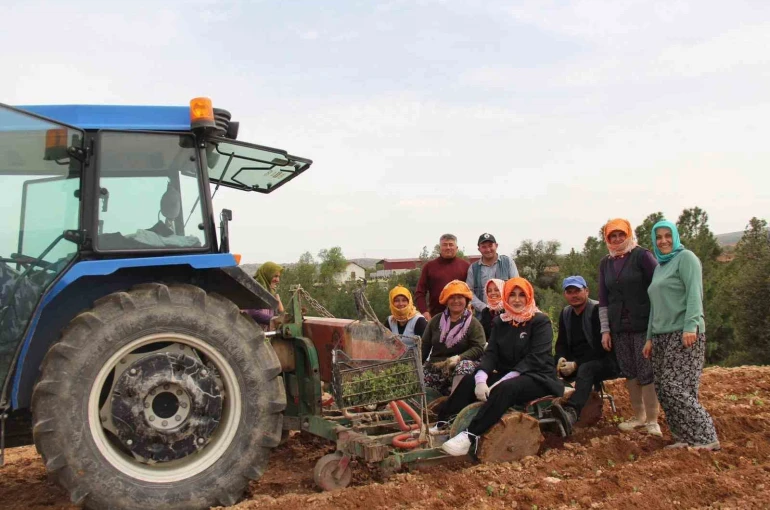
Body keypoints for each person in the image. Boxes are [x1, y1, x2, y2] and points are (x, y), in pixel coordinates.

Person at [438, 277, 564, 456]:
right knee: (469, 379)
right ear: (506, 296)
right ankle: (442, 422)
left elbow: (535, 358)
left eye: (522, 295)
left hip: (538, 377)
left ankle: (470, 435)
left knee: (505, 388)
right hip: (510, 375)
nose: (517, 299)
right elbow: (492, 354)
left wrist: (503, 379)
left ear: (529, 297)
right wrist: (481, 376)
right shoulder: (501, 322)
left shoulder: (540, 321)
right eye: (512, 295)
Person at [643, 220, 720, 450]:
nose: (663, 240)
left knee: (674, 386)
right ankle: (684, 437)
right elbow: (654, 306)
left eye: (668, 235)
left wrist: (691, 326)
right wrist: (649, 337)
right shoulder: (659, 266)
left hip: (684, 332)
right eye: (659, 237)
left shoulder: (686, 258)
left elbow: (695, 294)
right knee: (665, 389)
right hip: (661, 335)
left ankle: (706, 437)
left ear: (675, 237)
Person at [598, 218, 662, 437]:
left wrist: (657, 324)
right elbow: (603, 299)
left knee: (646, 371)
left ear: (628, 235)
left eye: (620, 235)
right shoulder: (606, 263)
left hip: (643, 323)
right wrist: (605, 330)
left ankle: (653, 420)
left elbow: (659, 286)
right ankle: (638, 416)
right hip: (619, 327)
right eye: (612, 236)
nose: (616, 239)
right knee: (629, 372)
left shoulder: (642, 256)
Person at [550, 275, 618, 429]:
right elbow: (561, 342)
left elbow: (601, 348)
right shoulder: (566, 313)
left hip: (605, 361)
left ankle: (571, 411)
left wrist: (576, 364)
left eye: (577, 291)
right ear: (565, 295)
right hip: (576, 361)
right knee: (546, 363)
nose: (574, 295)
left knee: (586, 368)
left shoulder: (597, 311)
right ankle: (546, 408)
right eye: (569, 292)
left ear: (586, 291)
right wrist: (561, 358)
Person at [420, 280, 485, 396]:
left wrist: (459, 358)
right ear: (446, 301)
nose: (456, 301)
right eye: (452, 297)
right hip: (436, 367)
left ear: (466, 300)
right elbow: (424, 346)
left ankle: (454, 402)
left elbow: (479, 347)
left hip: (459, 366)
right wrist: (416, 366)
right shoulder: (435, 321)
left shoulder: (474, 324)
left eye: (460, 297)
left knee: (464, 366)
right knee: (420, 380)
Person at [415, 234, 471, 320]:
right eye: (445, 245)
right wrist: (424, 311)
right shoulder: (429, 267)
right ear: (440, 248)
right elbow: (420, 292)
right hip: (436, 317)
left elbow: (471, 291)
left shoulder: (466, 266)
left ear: (456, 248)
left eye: (451, 244)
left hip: (462, 317)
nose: (448, 247)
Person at [466, 233, 518, 316]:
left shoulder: (508, 262)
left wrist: (502, 306)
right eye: (484, 247)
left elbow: (516, 286)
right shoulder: (473, 268)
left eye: (490, 245)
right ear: (479, 249)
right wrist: (484, 308)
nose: (488, 249)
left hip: (507, 314)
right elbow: (469, 292)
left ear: (496, 246)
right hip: (483, 316)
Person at [243, 261, 284, 330]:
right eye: (275, 276)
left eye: (279, 277)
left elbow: (280, 312)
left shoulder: (270, 292)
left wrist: (277, 298)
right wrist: (273, 320)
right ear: (267, 274)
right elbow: (252, 312)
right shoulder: (254, 289)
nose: (278, 280)